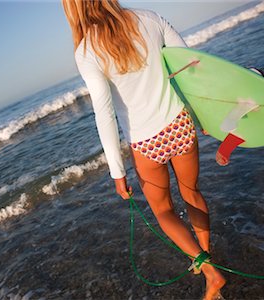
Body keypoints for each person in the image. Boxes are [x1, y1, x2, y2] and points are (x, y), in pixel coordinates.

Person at [62, 1, 226, 299]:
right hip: (180, 124)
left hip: (146, 143)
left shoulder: (86, 52)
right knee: (192, 193)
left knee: (163, 210)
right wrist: (204, 114)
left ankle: (209, 271)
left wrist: (117, 171)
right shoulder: (148, 18)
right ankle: (205, 256)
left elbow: (104, 111)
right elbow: (189, 64)